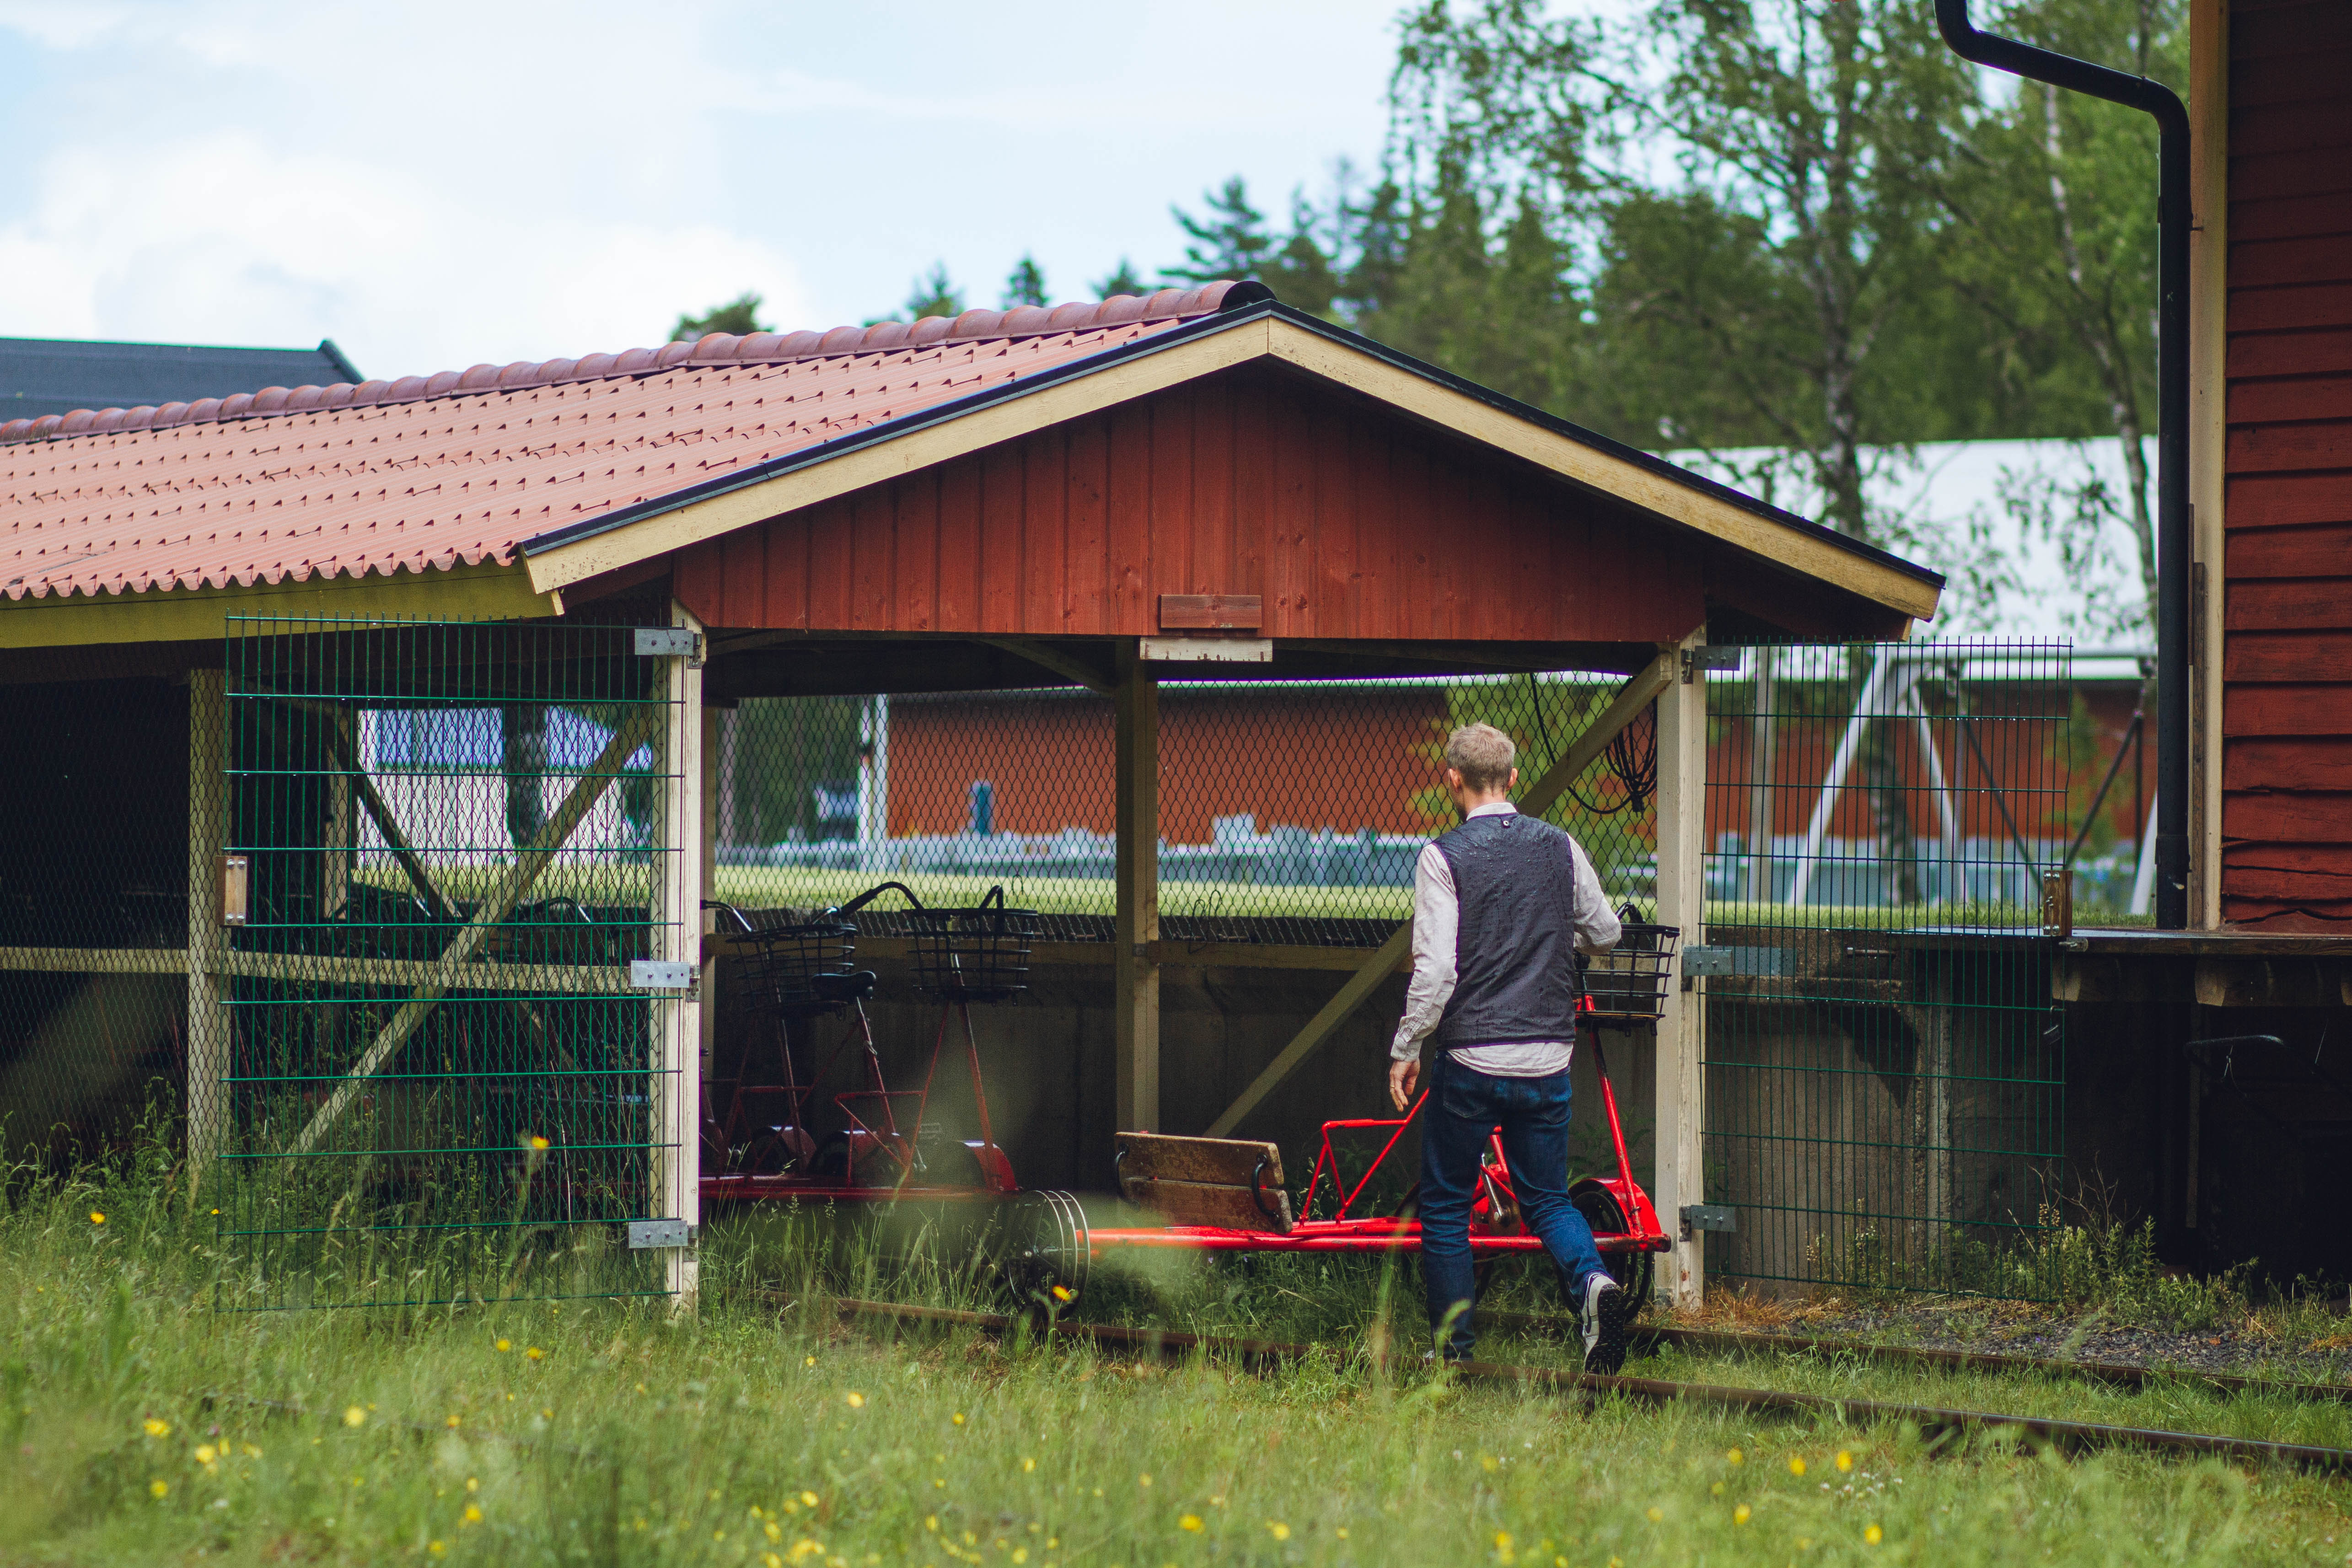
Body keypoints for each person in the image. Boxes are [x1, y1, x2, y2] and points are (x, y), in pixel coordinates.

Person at [1389, 721, 1631, 1371]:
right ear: (1515, 779)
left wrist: (1407, 1044)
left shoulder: (1442, 857)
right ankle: (1592, 1283)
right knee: (1547, 1199)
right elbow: (1605, 931)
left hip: (1470, 1057)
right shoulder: (1560, 846)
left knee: (1443, 1206)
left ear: (1453, 780)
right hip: (1549, 1054)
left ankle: (1455, 1356)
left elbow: (1436, 970)